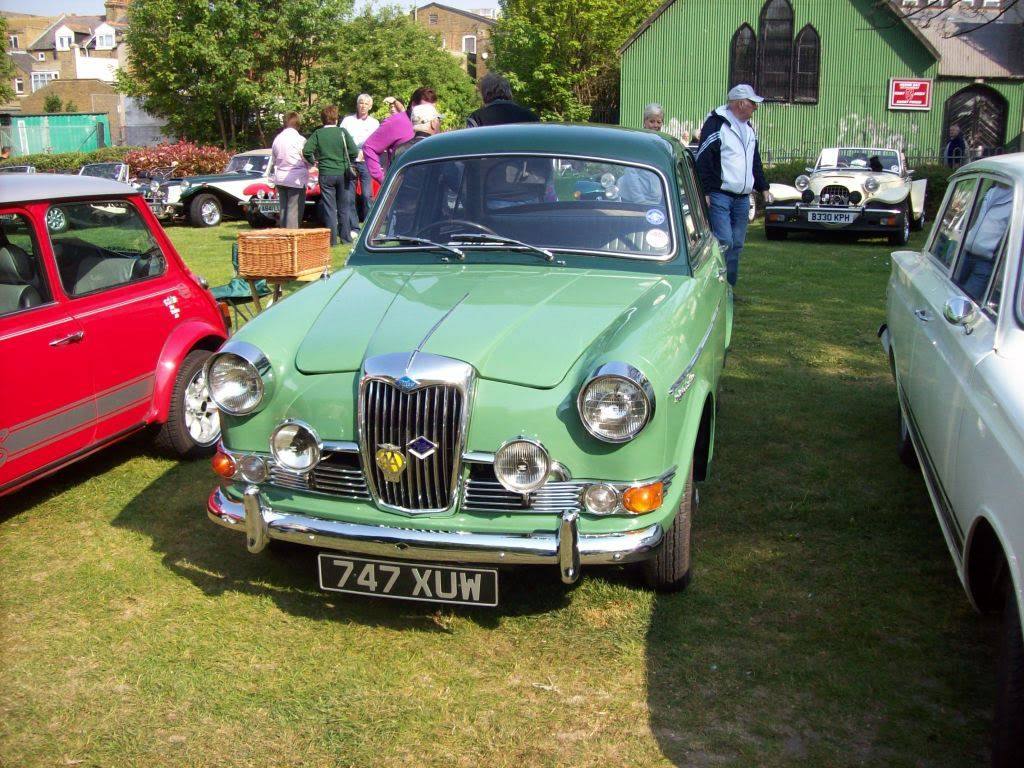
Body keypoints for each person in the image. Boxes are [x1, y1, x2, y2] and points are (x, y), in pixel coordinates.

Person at [695, 83, 771, 288]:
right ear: (740, 103)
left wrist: (763, 186)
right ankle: (714, 288)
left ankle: (729, 288)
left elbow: (754, 160)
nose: (756, 107)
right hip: (720, 195)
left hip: (743, 198)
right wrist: (706, 191)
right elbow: (703, 159)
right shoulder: (716, 124)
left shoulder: (748, 129)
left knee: (736, 244)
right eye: (752, 103)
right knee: (724, 241)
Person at [303, 105, 359, 246]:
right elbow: (353, 151)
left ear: (322, 119)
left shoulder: (318, 134)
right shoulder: (342, 132)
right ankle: (346, 238)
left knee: (329, 208)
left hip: (326, 173)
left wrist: (313, 162)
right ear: (336, 118)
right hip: (343, 172)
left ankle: (332, 241)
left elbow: (307, 151)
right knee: (343, 207)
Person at [363, 87, 437, 183]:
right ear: (414, 105)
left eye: (433, 109)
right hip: (403, 189)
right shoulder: (395, 122)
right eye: (425, 108)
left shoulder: (434, 122)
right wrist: (383, 179)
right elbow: (369, 147)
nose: (430, 113)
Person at [339, 94, 379, 239]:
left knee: (366, 195)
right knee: (349, 196)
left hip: (366, 160)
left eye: (366, 104)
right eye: (360, 103)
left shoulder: (374, 123)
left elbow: (377, 142)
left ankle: (370, 227)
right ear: (357, 104)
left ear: (370, 106)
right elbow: (341, 138)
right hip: (350, 160)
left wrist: (365, 152)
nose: (363, 106)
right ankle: (354, 227)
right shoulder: (347, 121)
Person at [270, 112, 309, 229]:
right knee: (294, 211)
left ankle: (283, 234)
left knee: (283, 209)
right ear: (297, 124)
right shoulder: (300, 139)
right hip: (296, 179)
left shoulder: (277, 139)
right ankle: (292, 238)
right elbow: (306, 158)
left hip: (281, 177)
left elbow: (274, 158)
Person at [466, 73, 539, 127]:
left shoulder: (476, 118)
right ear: (508, 91)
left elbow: (471, 144)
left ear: (485, 93)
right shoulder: (531, 117)